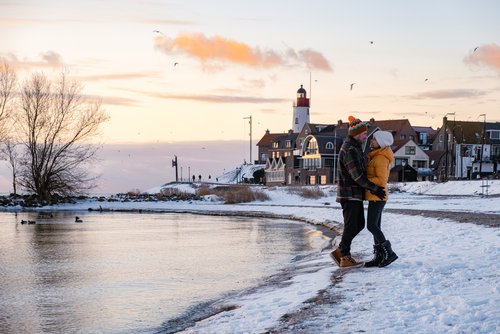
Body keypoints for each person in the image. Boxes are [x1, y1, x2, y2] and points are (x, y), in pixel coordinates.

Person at [330, 116, 386, 268]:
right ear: (355, 134)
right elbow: (357, 176)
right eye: (363, 134)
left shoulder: (355, 147)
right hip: (349, 194)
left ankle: (341, 251)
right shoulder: (349, 149)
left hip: (355, 194)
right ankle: (344, 255)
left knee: (359, 224)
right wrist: (373, 187)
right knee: (351, 225)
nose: (365, 136)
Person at [364, 130, 398, 267]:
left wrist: (365, 179)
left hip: (378, 195)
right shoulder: (376, 156)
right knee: (375, 226)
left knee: (371, 226)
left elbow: (381, 180)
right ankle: (379, 256)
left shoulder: (381, 158)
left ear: (381, 143)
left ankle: (388, 252)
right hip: (375, 195)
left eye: (374, 139)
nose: (371, 141)